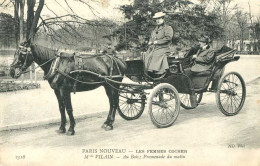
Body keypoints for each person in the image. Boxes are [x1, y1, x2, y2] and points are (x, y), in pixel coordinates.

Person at [143, 11, 174, 77]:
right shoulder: (154, 30)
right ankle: (147, 72)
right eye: (156, 19)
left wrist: (157, 42)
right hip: (154, 48)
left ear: (163, 19)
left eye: (159, 18)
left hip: (164, 48)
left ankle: (157, 72)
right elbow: (151, 38)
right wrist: (150, 42)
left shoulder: (168, 28)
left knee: (155, 54)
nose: (157, 20)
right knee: (146, 54)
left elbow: (168, 38)